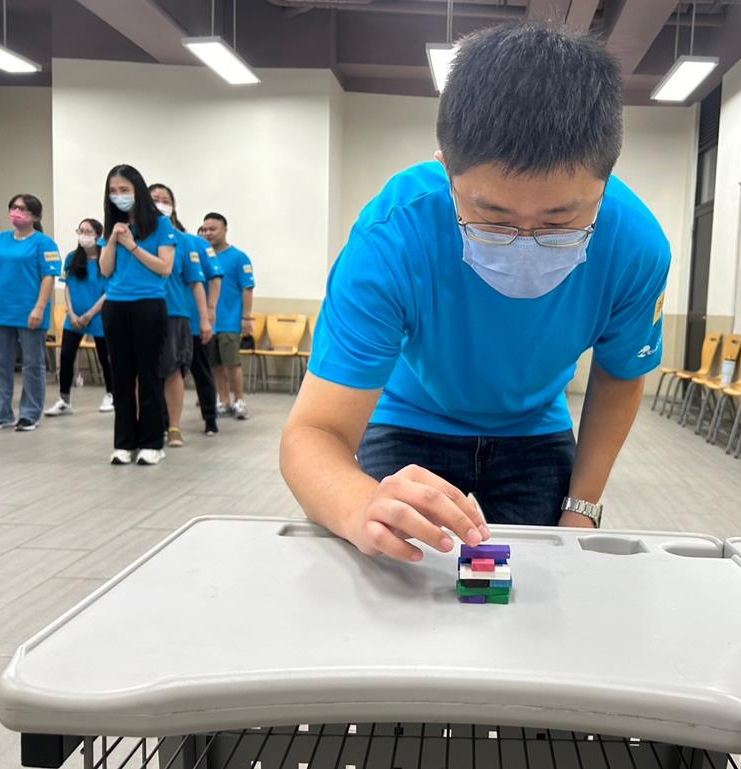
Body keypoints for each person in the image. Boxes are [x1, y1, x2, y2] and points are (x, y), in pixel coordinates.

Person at [281, 24, 671, 562]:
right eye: (492, 216)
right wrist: (359, 503)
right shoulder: (392, 238)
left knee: (549, 583)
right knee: (389, 572)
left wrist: (583, 505)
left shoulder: (635, 245)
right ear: (446, 168)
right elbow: (313, 433)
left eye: (559, 220)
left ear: (604, 181)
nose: (525, 242)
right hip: (408, 419)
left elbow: (621, 376)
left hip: (535, 429)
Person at [99, 164, 176, 465]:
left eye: (124, 190)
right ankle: (124, 443)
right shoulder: (114, 226)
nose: (118, 196)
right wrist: (113, 240)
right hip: (115, 306)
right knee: (121, 377)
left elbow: (164, 267)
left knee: (148, 376)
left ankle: (152, 443)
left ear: (138, 191)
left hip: (148, 305)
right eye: (113, 191)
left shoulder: (161, 225)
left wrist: (132, 246)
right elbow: (105, 270)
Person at [0, 194, 62, 431]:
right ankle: (0, 413)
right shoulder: (0, 240)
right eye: (14, 207)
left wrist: (40, 307)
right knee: (0, 363)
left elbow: (48, 277)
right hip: (1, 312)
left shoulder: (44, 243)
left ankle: (30, 414)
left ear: (35, 216)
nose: (16, 212)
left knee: (32, 365)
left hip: (30, 312)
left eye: (22, 209)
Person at [148, 183, 213, 447]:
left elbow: (196, 283)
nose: (160, 204)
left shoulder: (184, 242)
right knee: (144, 373)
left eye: (166, 200)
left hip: (175, 313)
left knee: (174, 371)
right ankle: (149, 426)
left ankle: (174, 427)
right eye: (155, 199)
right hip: (141, 312)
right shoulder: (134, 236)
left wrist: (205, 319)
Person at [44, 218, 114, 416]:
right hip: (74, 318)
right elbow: (67, 286)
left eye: (88, 231)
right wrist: (72, 313)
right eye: (80, 231)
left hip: (99, 315)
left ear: (98, 236)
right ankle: (64, 400)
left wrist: (89, 314)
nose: (83, 235)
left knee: (105, 358)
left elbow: (109, 291)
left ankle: (111, 394)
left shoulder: (107, 259)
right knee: (66, 356)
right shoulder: (72, 258)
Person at [201, 212, 254, 420]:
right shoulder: (202, 256)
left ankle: (239, 400)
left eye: (213, 229)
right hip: (208, 322)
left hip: (230, 321)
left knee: (232, 363)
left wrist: (246, 318)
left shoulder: (239, 257)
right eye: (205, 229)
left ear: (224, 230)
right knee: (215, 364)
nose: (208, 233)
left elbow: (247, 288)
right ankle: (223, 400)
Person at [188, 226, 223, 435]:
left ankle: (210, 419)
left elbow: (216, 277)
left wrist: (210, 309)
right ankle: (165, 423)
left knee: (202, 372)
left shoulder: (196, 244)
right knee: (165, 375)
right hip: (165, 320)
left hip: (196, 322)